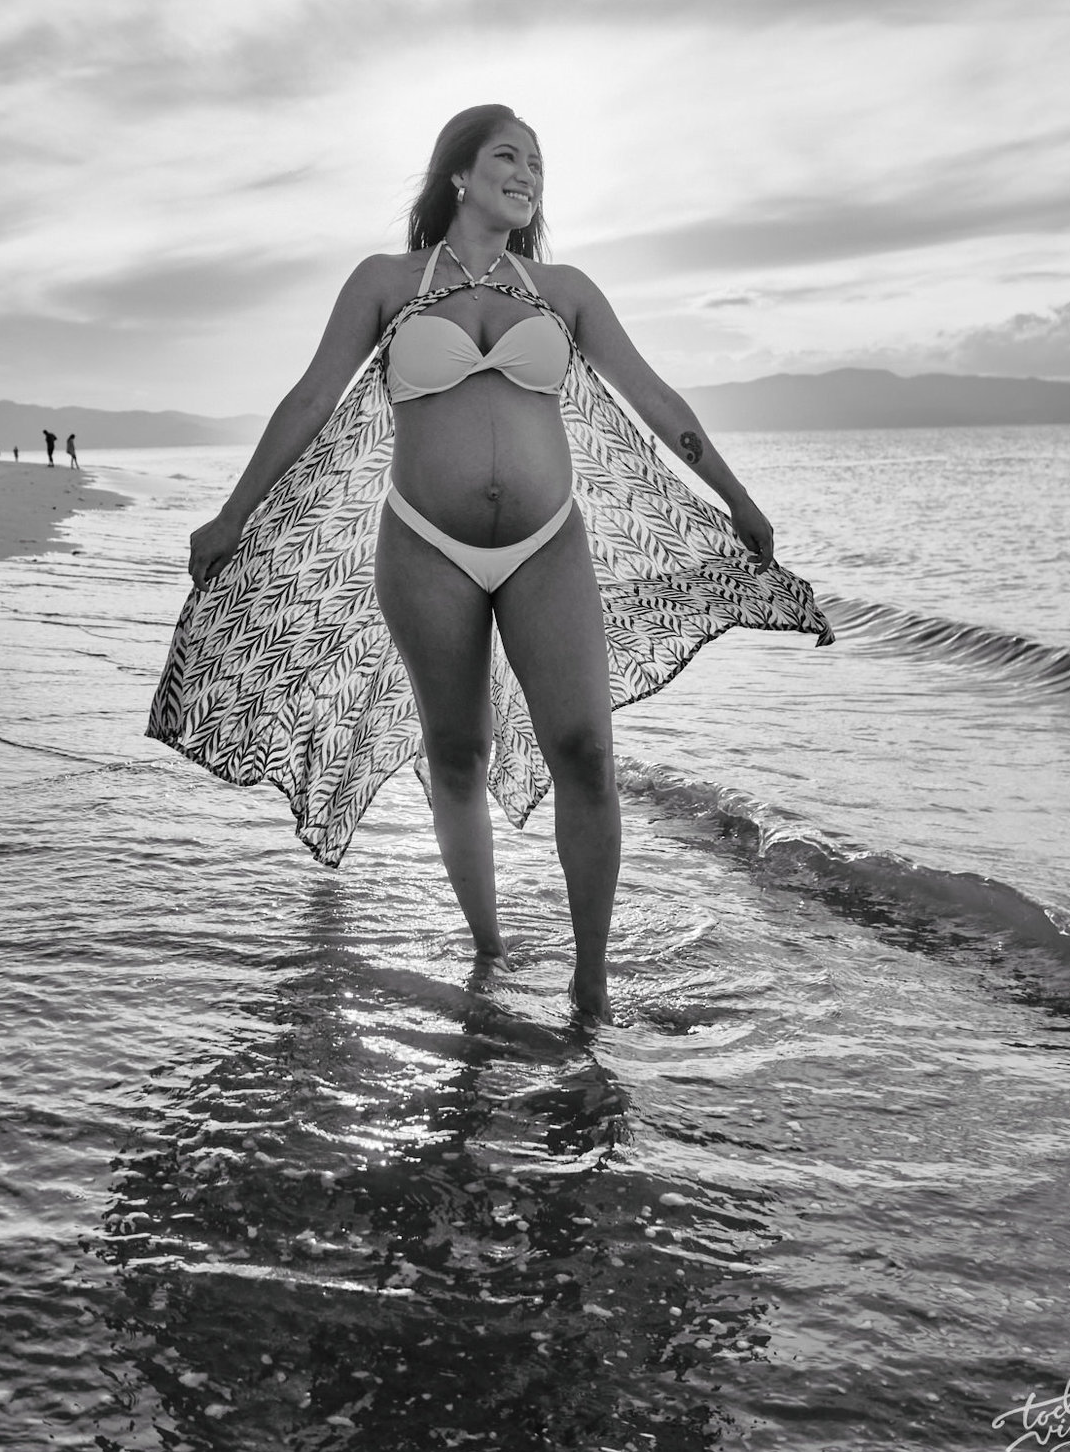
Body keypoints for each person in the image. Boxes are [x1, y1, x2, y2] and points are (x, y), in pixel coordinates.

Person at [154, 105, 831, 1023]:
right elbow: (312, 395)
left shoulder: (565, 290)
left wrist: (738, 498)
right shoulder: (387, 282)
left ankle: (590, 982)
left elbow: (654, 393)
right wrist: (233, 513)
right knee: (458, 752)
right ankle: (488, 946)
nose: (527, 172)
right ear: (458, 176)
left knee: (586, 752)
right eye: (507, 156)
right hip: (424, 544)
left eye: (538, 162)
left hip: (547, 542)